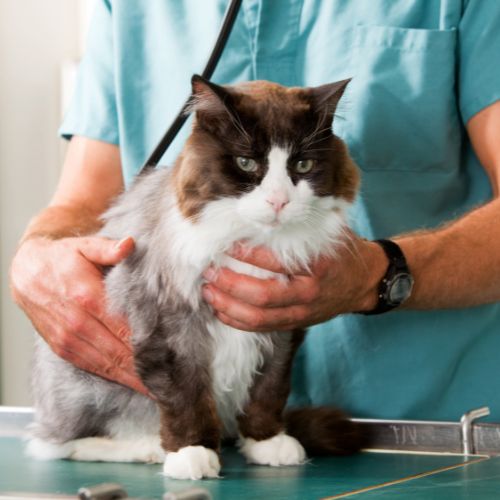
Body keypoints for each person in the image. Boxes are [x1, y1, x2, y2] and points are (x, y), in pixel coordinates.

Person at [10, 0, 500, 421]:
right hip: (193, 434)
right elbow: (81, 203)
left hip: (421, 434)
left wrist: (376, 275)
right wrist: (36, 258)